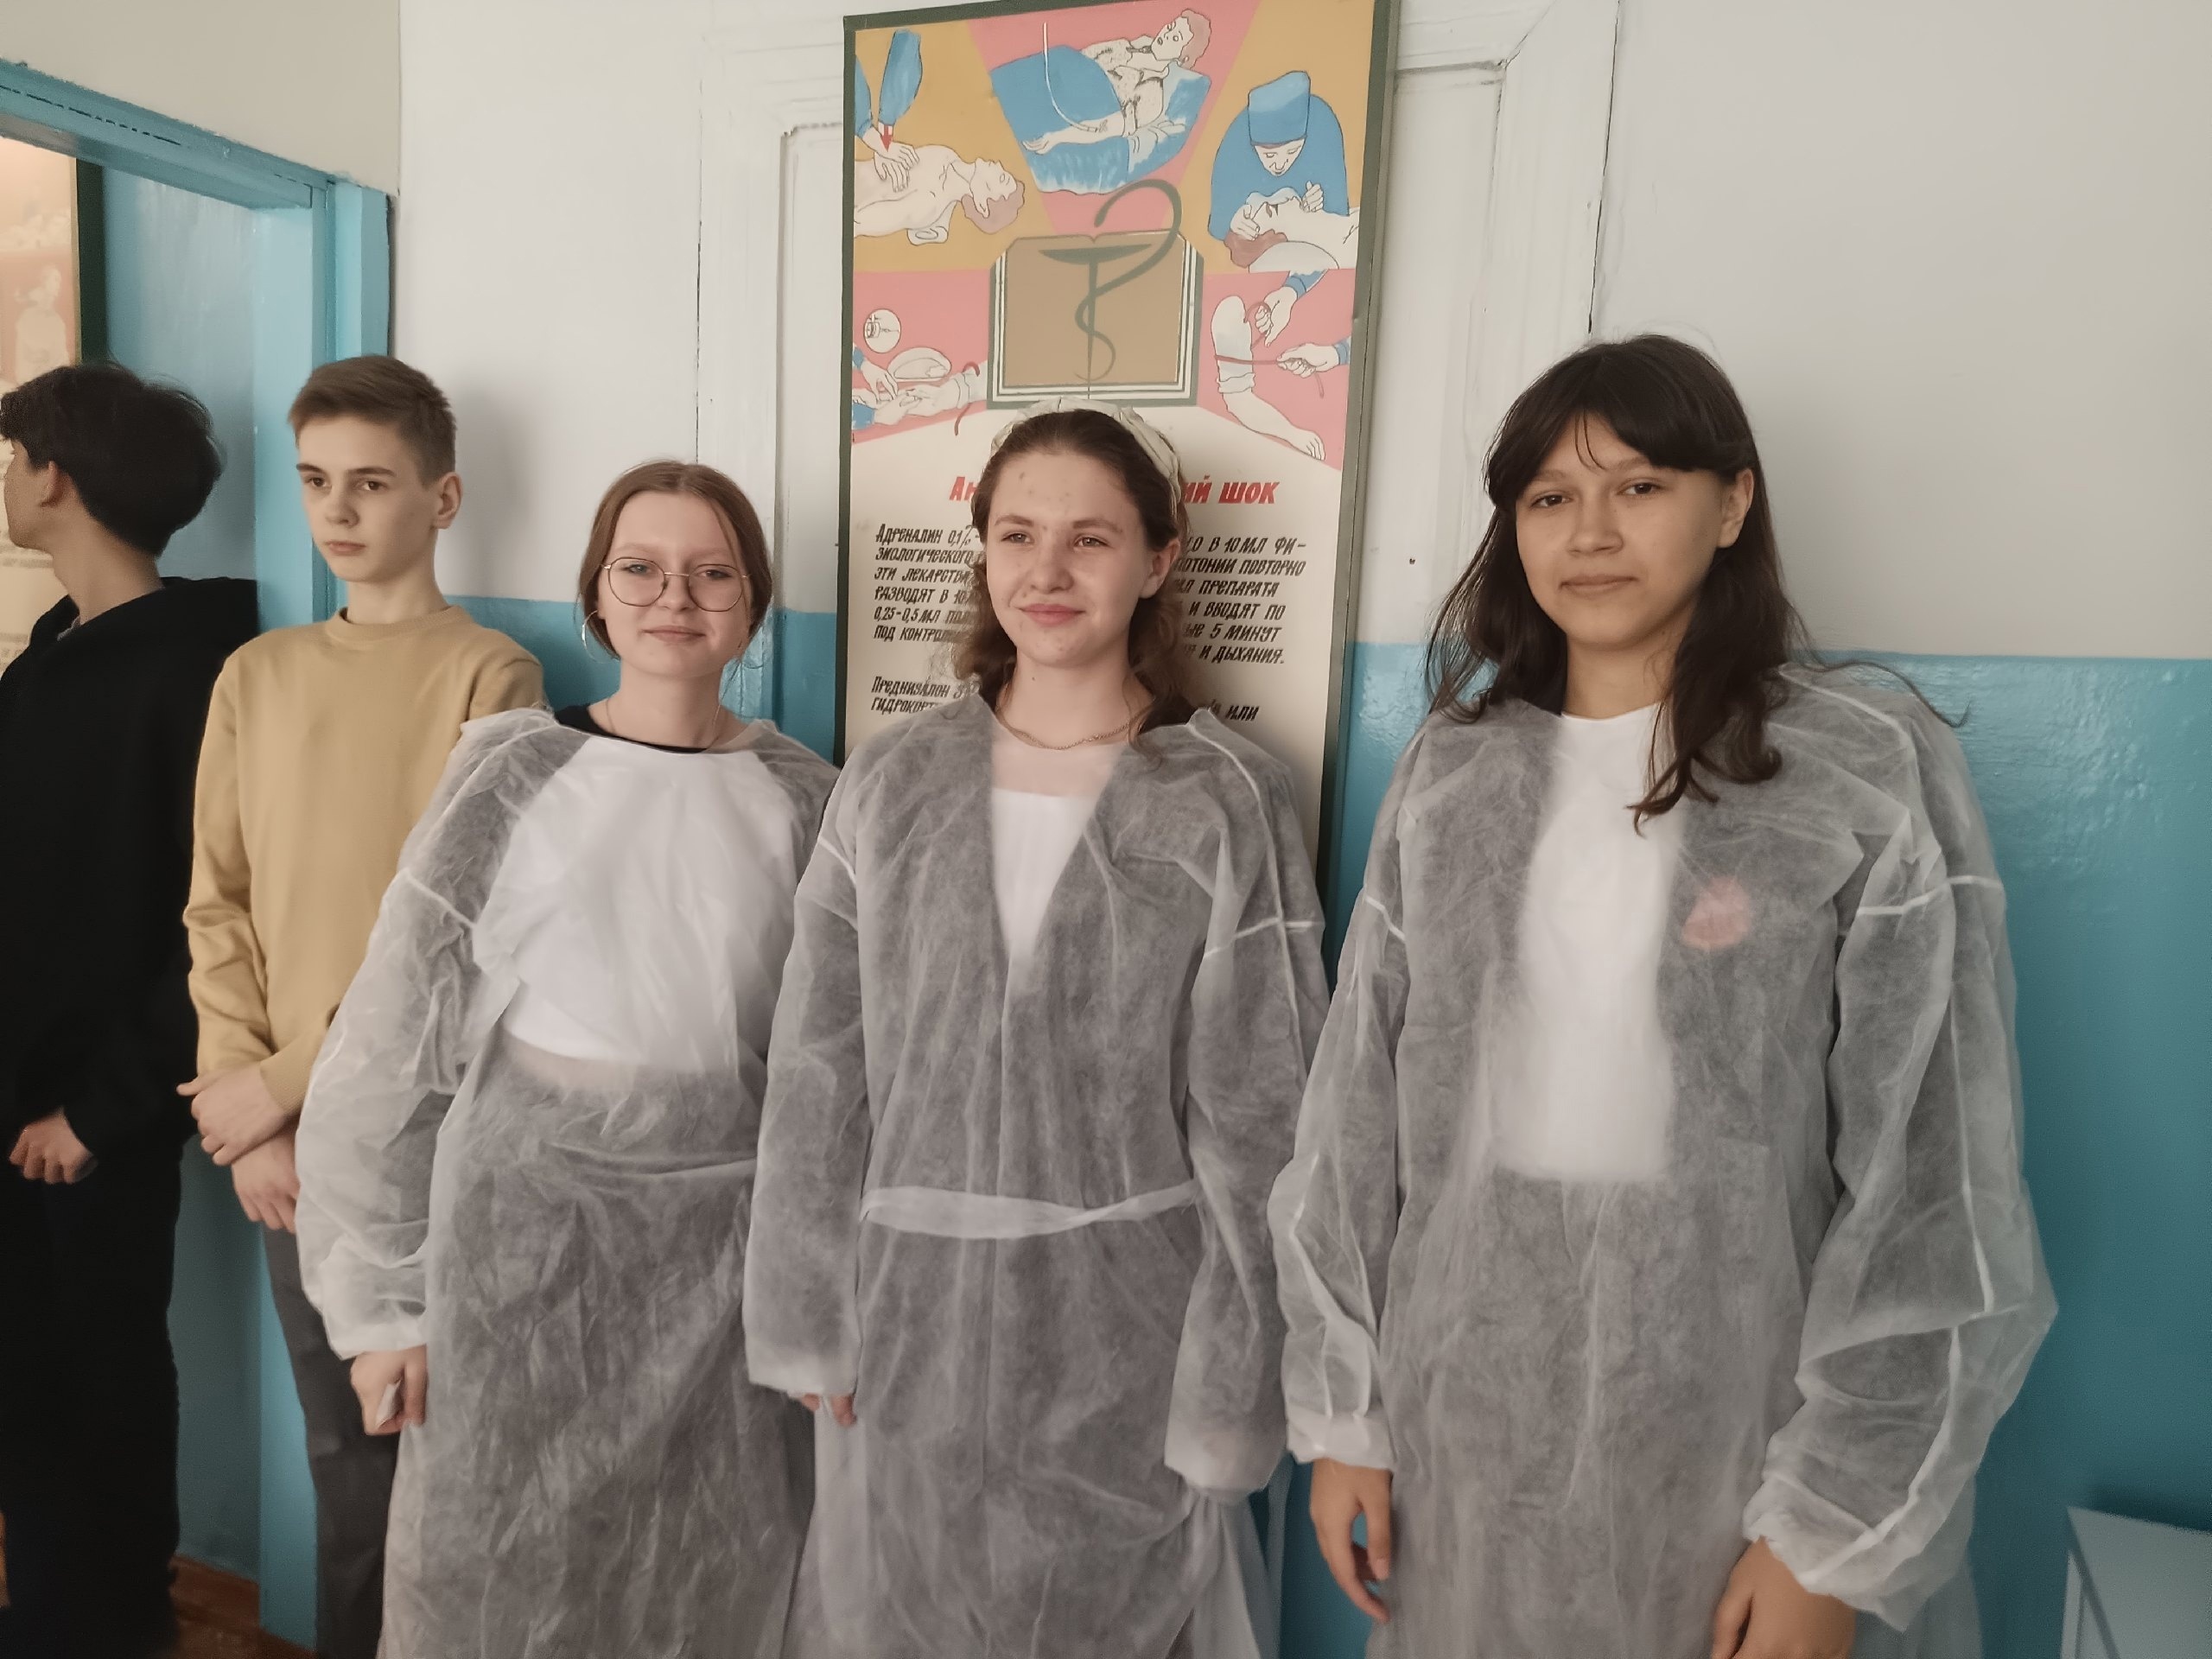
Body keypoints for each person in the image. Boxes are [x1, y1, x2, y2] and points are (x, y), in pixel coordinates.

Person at [1269, 335, 2055, 1658]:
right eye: (1550, 497)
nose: (1590, 533)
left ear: (1732, 502)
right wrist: (1347, 1416)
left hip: (1735, 1427)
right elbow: (1357, 1114)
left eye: (1638, 487)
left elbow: (1932, 1176)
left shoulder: (1854, 773)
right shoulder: (1455, 776)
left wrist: (1830, 1535)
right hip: (1465, 1410)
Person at [746, 401, 1327, 1658]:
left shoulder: (1227, 800)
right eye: (1017, 535)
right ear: (983, 553)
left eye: (1090, 539)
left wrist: (1231, 1390)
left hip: (1130, 1336)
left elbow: (1262, 1119)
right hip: (905, 1320)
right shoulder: (892, 780)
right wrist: (806, 1314)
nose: (1048, 572)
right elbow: (821, 1065)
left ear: (1159, 560)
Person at [294, 461, 833, 1656]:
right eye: (640, 568)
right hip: (514, 1258)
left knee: (707, 1569)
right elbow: (393, 1043)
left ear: (752, 602)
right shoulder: (514, 773)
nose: (674, 597)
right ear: (595, 592)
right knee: (497, 1570)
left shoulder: (807, 802)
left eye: (711, 572)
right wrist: (382, 1309)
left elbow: (831, 1066)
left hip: (722, 1268)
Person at [181, 355, 543, 1659]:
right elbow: (217, 901)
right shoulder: (256, 675)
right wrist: (250, 1111)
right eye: (316, 481)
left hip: (425, 1128)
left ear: (442, 499)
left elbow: (456, 939)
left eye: (372, 484)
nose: (337, 510)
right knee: (344, 1459)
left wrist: (279, 1089)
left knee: (449, 1449)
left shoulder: (493, 676)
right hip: (280, 1141)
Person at [0, 363, 255, 1657]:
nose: (6, 481)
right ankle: (56, 1612)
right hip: (22, 1099)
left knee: (97, 1381)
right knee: (31, 1384)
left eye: (14, 458)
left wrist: (98, 1115)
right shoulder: (54, 649)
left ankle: (105, 1624)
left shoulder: (195, 672)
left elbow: (213, 927)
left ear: (54, 477)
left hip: (91, 1118)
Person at [1205, 72, 1348, 242]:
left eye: (1292, 151)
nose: (1280, 164)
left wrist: (1320, 208)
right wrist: (1231, 221)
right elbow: (1219, 218)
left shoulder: (1323, 127)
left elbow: (1340, 218)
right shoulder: (1236, 141)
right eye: (1270, 155)